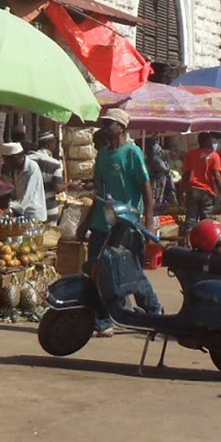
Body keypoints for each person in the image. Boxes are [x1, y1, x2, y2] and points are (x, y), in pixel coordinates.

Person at [76, 108, 161, 337]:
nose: (105, 128)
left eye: (109, 124)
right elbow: (99, 192)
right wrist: (85, 223)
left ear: (121, 127)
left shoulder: (132, 153)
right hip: (101, 223)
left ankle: (154, 312)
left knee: (130, 273)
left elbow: (146, 190)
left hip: (126, 224)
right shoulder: (103, 155)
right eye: (104, 124)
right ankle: (104, 319)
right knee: (96, 269)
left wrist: (149, 222)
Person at [180, 133, 221, 229]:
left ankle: (188, 241)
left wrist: (181, 191)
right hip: (206, 192)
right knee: (206, 220)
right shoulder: (214, 156)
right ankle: (205, 241)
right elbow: (217, 176)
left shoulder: (190, 154)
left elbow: (185, 175)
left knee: (191, 219)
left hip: (192, 190)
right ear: (208, 141)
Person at [1, 142, 47, 221]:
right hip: (22, 214)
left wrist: (13, 208)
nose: (6, 164)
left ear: (15, 158)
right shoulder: (16, 170)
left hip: (34, 214)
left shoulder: (32, 167)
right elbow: (16, 191)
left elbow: (28, 195)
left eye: (7, 161)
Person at [28, 132, 67, 223]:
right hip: (48, 207)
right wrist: (69, 185)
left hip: (29, 207)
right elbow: (57, 187)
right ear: (49, 144)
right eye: (54, 143)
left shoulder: (27, 160)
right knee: (49, 235)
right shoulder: (54, 163)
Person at [146, 137, 177, 209]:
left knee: (160, 190)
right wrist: (166, 169)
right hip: (159, 173)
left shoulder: (156, 148)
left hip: (161, 173)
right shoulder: (155, 148)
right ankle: (157, 206)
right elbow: (156, 160)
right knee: (158, 190)